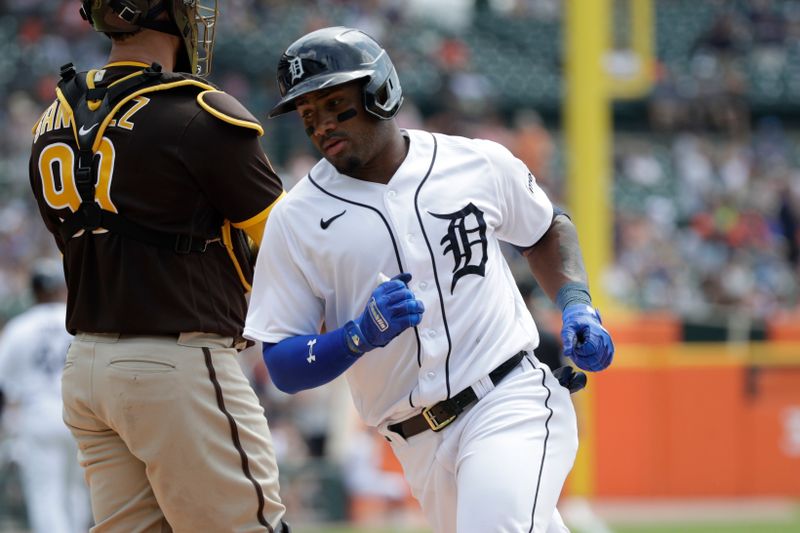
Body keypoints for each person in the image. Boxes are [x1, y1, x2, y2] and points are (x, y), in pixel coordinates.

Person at [245, 26, 615, 533]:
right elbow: (283, 363)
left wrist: (576, 302)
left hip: (507, 397)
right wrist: (357, 336)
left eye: (335, 106)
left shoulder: (474, 162)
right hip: (414, 441)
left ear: (380, 91)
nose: (322, 124)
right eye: (308, 116)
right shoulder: (296, 218)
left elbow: (547, 227)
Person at [28, 1, 288, 531]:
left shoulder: (50, 120)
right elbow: (286, 242)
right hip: (174, 361)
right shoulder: (196, 111)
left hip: (87, 368)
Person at [0, 259, 91, 533]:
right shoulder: (78, 322)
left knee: (46, 493)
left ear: (34, 291)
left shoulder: (20, 326)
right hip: (78, 414)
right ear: (60, 289)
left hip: (39, 415)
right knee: (75, 490)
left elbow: (3, 384)